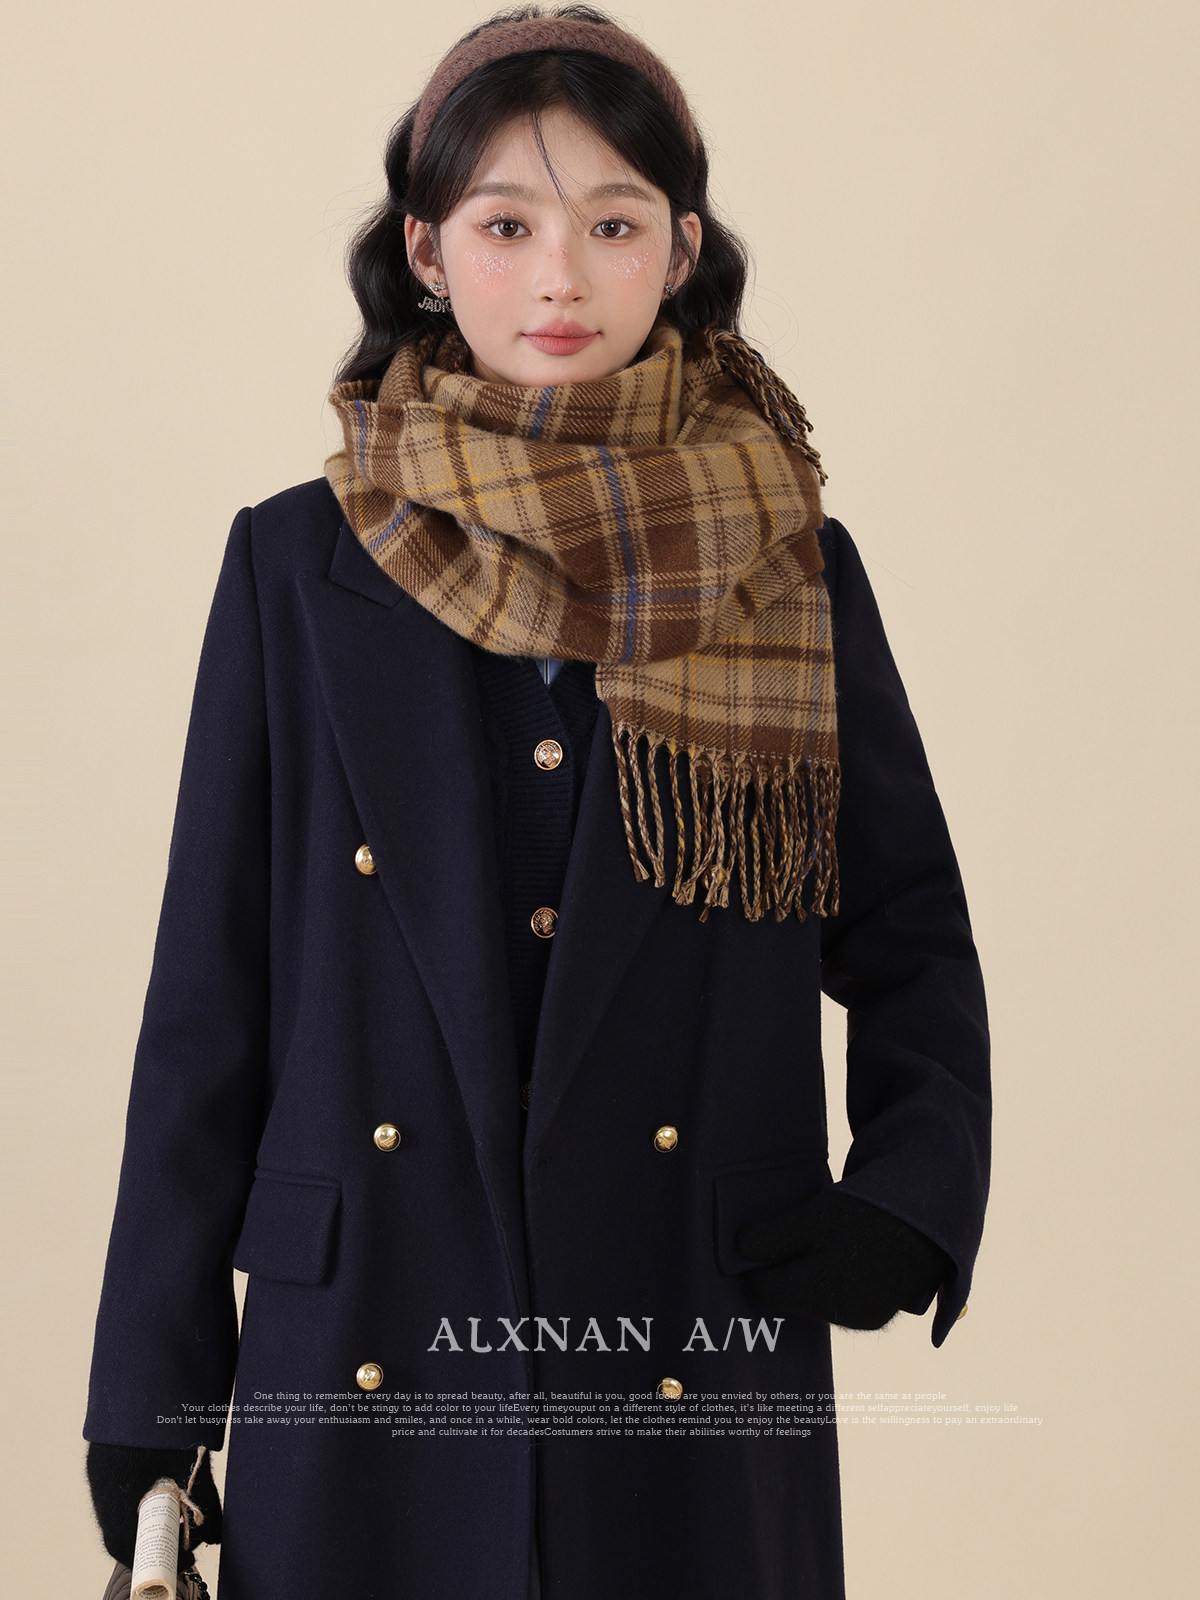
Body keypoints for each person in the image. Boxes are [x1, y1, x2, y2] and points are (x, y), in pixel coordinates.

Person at [82, 7, 991, 1598]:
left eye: (614, 224)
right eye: (507, 225)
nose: (561, 277)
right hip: (364, 1328)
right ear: (428, 252)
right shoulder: (294, 565)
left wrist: (910, 1197)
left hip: (684, 1318)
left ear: (681, 250)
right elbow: (209, 992)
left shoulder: (791, 563)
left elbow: (910, 930)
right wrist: (149, 1392)